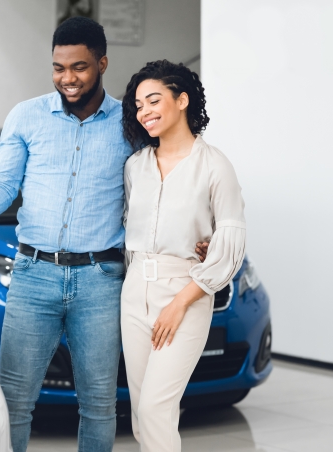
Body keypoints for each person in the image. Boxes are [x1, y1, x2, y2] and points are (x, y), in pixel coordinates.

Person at [0, 17, 130, 452]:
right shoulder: (26, 116)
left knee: (98, 403)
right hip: (34, 274)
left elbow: (152, 192)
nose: (67, 78)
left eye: (79, 67)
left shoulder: (129, 124)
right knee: (14, 401)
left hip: (100, 279)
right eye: (58, 67)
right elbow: (3, 183)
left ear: (103, 63)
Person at [120, 60, 246, 452]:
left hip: (185, 292)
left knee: (158, 407)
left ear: (182, 100)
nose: (145, 112)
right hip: (135, 287)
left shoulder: (215, 165)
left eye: (153, 100)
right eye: (139, 105)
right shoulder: (135, 166)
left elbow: (231, 240)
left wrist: (180, 302)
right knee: (143, 413)